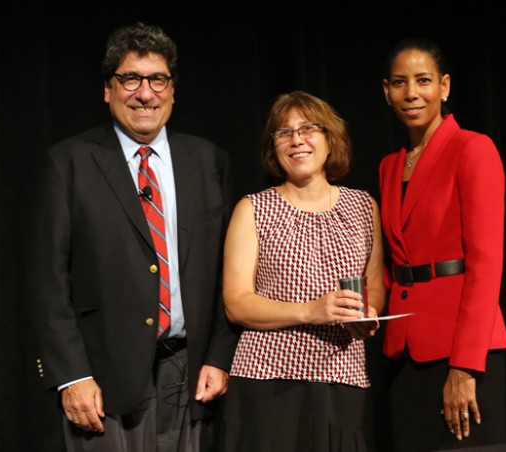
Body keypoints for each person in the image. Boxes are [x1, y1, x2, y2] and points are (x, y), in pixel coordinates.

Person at [26, 22, 238, 452]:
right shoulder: (68, 163)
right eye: (131, 79)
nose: (145, 93)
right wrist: (72, 375)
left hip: (191, 376)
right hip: (102, 381)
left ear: (173, 90)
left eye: (158, 80)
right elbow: (47, 281)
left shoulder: (208, 160)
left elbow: (225, 273)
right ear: (108, 89)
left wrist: (219, 356)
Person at [218, 90, 386, 452]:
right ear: (274, 147)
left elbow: (374, 287)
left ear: (330, 140)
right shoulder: (253, 209)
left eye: (308, 128)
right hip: (269, 381)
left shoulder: (363, 207)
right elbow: (236, 303)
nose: (296, 139)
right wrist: (310, 311)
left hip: (342, 377)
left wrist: (367, 315)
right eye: (284, 132)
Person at [378, 37, 506, 451]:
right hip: (403, 350)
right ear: (386, 92)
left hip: (462, 349)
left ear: (445, 86)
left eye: (423, 80)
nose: (411, 93)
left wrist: (465, 365)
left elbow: (486, 266)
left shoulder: (473, 148)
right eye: (400, 82)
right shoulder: (389, 165)